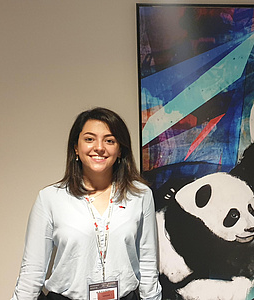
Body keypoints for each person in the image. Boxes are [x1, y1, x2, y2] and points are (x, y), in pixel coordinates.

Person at [11, 107, 162, 300]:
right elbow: (31, 272)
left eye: (109, 140)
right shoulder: (50, 198)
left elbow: (148, 265)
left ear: (120, 150)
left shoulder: (140, 196)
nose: (99, 147)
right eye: (89, 139)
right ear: (76, 147)